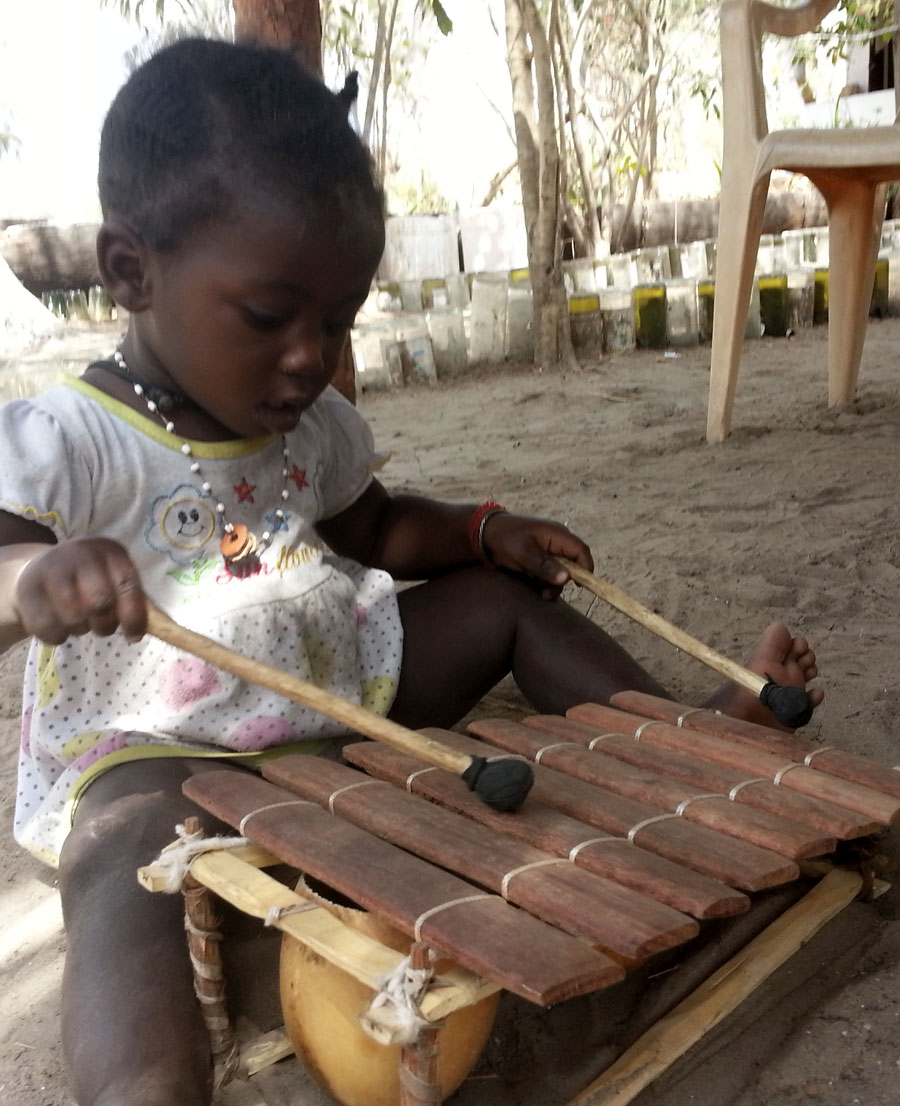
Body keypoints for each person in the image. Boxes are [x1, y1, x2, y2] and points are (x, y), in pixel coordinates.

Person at [0, 38, 822, 1106]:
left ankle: (684, 736)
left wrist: (483, 532)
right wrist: (30, 580)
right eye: (269, 317)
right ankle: (145, 1086)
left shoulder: (307, 420)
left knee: (502, 605)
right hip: (162, 746)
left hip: (341, 693)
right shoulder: (71, 438)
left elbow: (378, 528)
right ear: (130, 271)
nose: (311, 354)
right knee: (116, 863)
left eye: (337, 319)